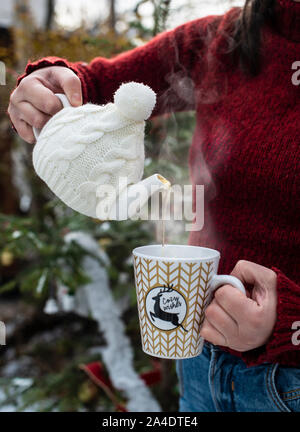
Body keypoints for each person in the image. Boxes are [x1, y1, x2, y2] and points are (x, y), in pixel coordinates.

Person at [8, 0, 300, 412]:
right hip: (200, 365)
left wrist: (290, 322)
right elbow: (94, 86)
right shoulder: (221, 42)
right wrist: (52, 86)